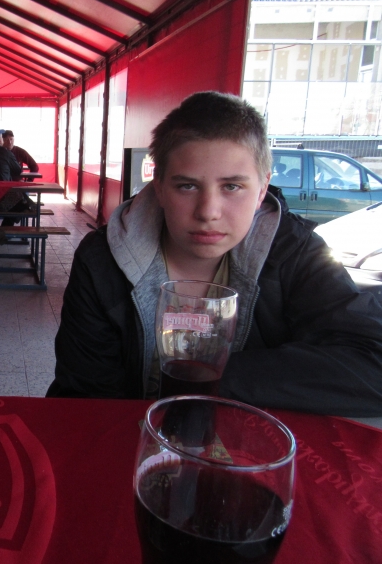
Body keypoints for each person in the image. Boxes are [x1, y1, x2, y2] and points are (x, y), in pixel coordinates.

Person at [49, 91, 382, 416]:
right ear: (159, 187)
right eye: (187, 186)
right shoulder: (102, 259)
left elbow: (371, 363)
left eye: (232, 187)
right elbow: (86, 398)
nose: (208, 211)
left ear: (262, 189)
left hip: (252, 443)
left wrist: (214, 379)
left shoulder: (295, 252)